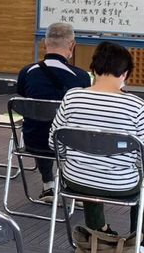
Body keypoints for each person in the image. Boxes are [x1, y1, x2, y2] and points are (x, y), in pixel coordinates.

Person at [49, 41, 144, 236]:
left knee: (87, 162)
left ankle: (98, 230)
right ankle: (138, 240)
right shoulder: (136, 106)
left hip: (76, 179)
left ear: (93, 69)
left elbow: (54, 143)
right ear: (125, 74)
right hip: (121, 184)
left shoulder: (72, 97)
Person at [17, 22, 90, 201]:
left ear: (44, 43)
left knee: (42, 124)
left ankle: (48, 185)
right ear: (72, 45)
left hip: (33, 141)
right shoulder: (81, 77)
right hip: (68, 144)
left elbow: (23, 96)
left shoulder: (27, 72)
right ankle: (76, 189)